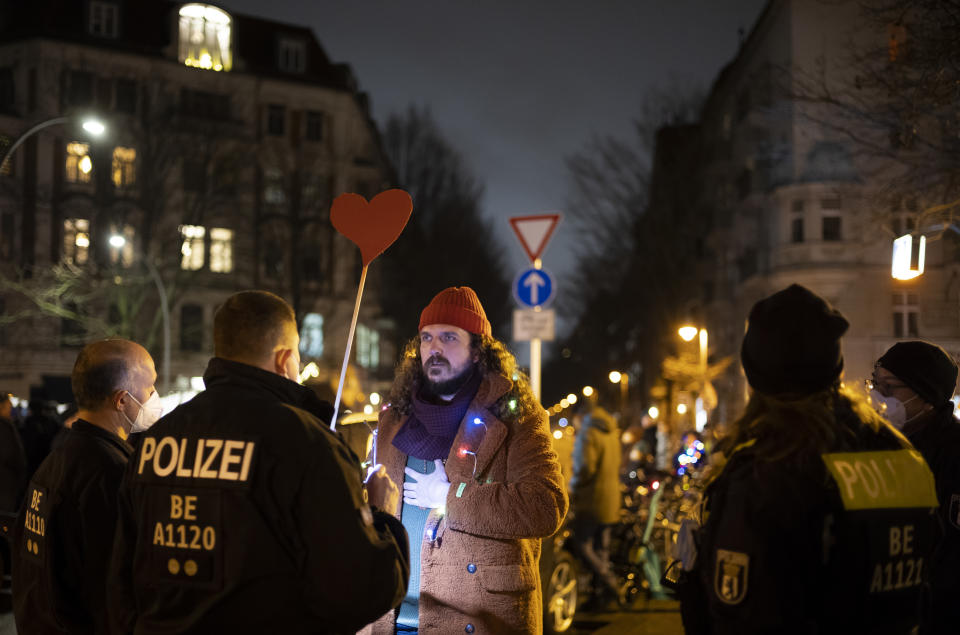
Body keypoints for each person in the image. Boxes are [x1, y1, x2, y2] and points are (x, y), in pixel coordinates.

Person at [108, 290, 408, 634]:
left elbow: (120, 585)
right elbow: (360, 592)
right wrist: (382, 518)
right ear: (284, 359)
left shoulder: (155, 442)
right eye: (297, 357)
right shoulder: (307, 445)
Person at [678, 284, 939, 634]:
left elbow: (743, 615)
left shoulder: (768, 473)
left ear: (754, 376)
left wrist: (694, 572)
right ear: (836, 369)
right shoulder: (900, 455)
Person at [362, 286, 567, 634]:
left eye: (449, 337)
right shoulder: (393, 418)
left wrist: (449, 498)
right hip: (387, 623)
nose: (434, 348)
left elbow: (546, 506)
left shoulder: (515, 415)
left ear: (477, 350)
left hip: (478, 621)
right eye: (426, 338)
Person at [12, 339, 160, 635]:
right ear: (122, 400)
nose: (156, 396)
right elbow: (112, 590)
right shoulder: (108, 474)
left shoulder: (57, 460)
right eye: (151, 385)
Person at [873, 341, 960, 634]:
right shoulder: (875, 444)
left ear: (927, 399)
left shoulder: (954, 454)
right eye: (875, 383)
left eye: (889, 387)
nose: (876, 396)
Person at [569, 399, 624, 606]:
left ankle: (610, 583)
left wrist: (571, 486)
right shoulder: (610, 431)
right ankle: (601, 598)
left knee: (582, 546)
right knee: (602, 550)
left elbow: (585, 469)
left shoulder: (587, 433)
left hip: (592, 501)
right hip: (611, 499)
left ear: (580, 416)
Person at [0, 392, 26, 514]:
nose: (11, 408)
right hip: (6, 485)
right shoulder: (4, 427)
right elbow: (10, 455)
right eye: (8, 405)